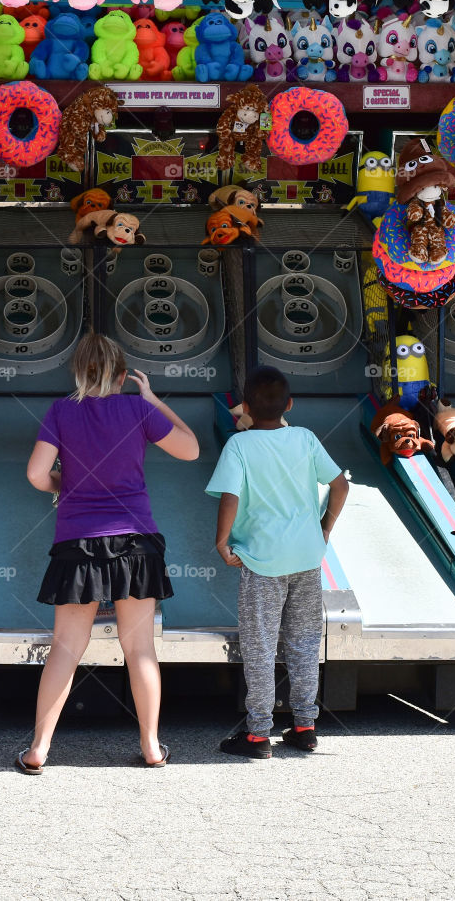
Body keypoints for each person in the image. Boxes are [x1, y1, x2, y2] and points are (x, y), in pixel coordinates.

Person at [19, 332, 199, 774]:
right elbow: (191, 449)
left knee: (65, 648)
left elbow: (36, 474)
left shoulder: (62, 410)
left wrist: (67, 485)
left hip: (77, 544)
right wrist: (153, 398)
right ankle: (153, 746)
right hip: (136, 542)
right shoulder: (138, 409)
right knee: (139, 648)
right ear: (122, 375)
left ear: (78, 373)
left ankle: (39, 749)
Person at [206, 366, 348, 759]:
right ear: (289, 404)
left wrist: (221, 540)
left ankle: (257, 735)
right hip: (306, 557)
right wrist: (326, 526)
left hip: (261, 561)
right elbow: (340, 485)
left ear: (246, 408)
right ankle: (305, 726)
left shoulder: (240, 446)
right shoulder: (304, 438)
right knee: (303, 643)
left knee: (260, 646)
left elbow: (230, 497)